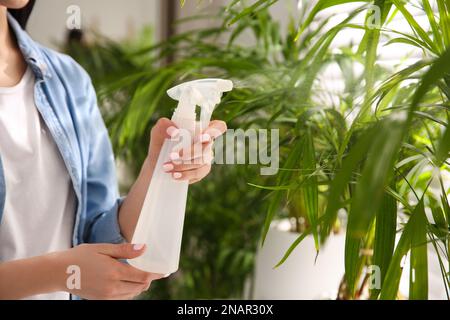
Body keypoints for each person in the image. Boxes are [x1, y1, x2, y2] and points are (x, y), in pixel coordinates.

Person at [0, 0, 226, 300]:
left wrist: (157, 167)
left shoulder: (68, 81)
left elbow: (98, 235)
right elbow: (70, 269)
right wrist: (61, 272)